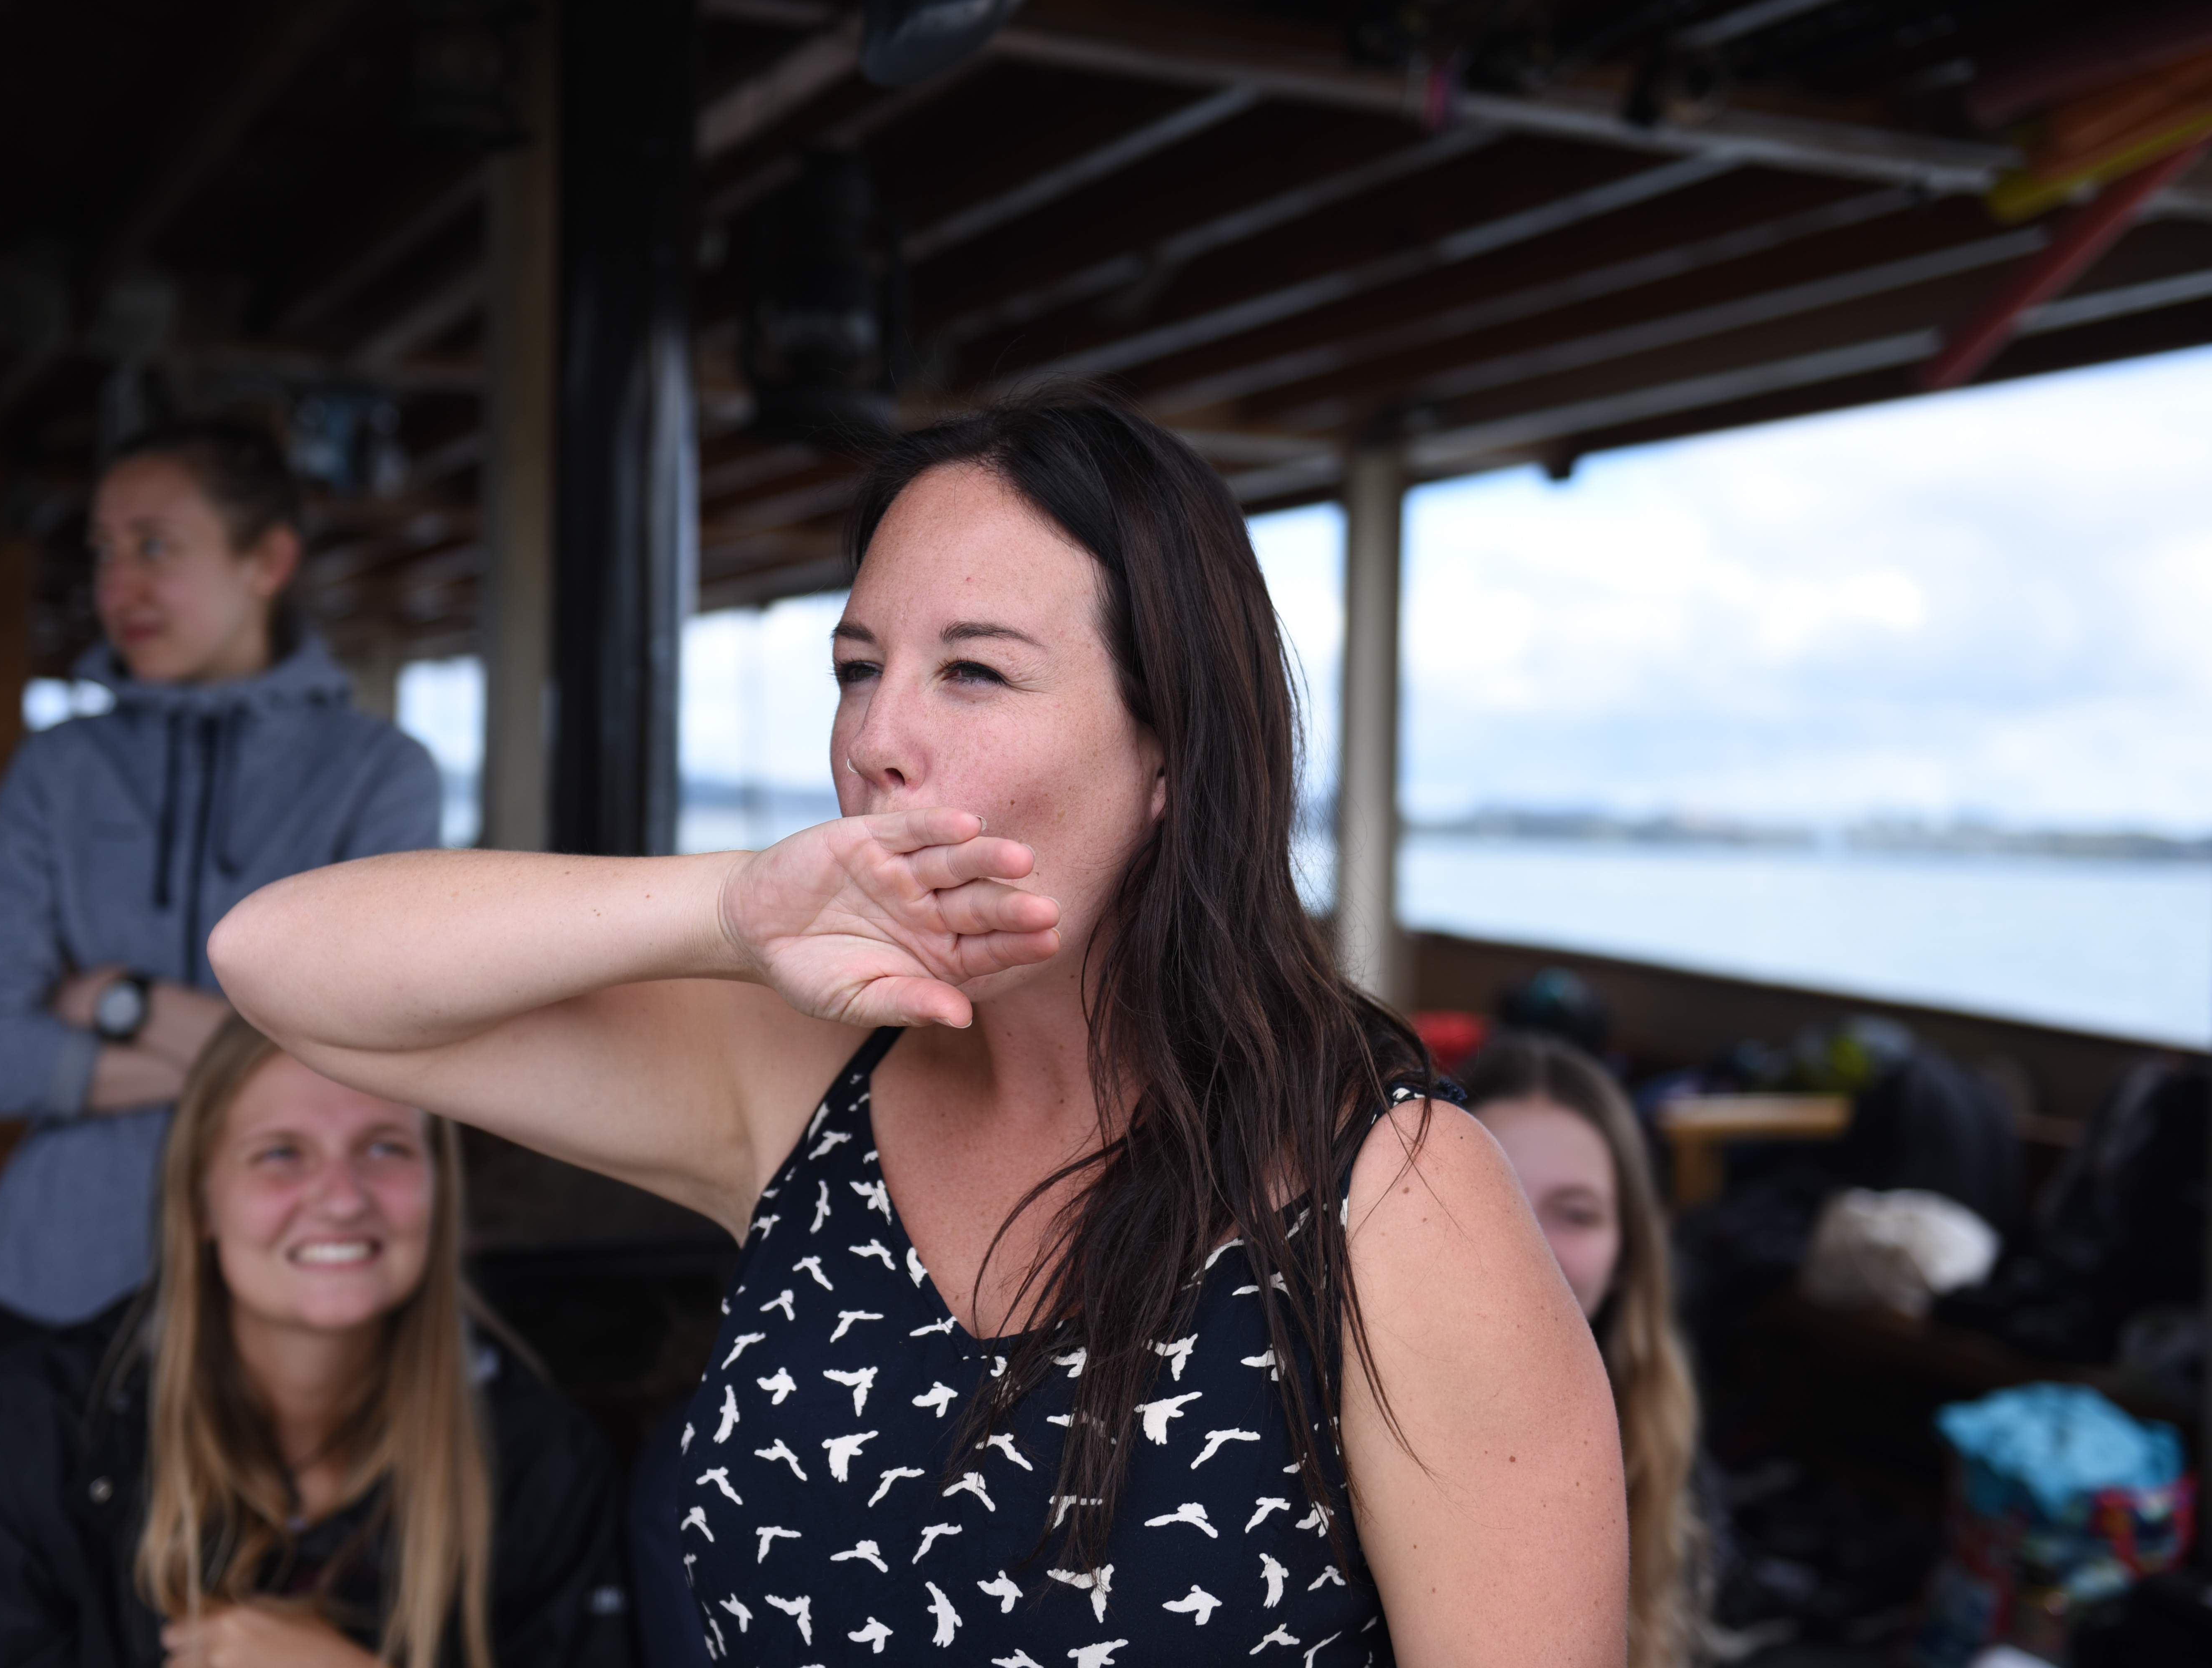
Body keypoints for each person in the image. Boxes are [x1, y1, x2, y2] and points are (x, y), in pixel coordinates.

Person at [214, 390, 1626, 1666]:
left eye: (972, 671)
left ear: (1168, 756)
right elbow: (275, 957)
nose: (873, 738)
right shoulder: (805, 1084)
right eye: (854, 665)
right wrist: (726, 907)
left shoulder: (1393, 1199)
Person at [0, 1016, 633, 1668]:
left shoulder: (542, 1461)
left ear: (442, 1192)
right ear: (200, 1201)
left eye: (385, 1148)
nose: (343, 1198)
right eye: (281, 1153)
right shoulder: (36, 1427)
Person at [0, 421, 441, 1338]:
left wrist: (119, 1001)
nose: (116, 587)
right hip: (59, 1277)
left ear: (266, 561)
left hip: (298, 1281)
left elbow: (372, 1064)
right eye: (103, 552)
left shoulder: (379, 772)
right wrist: (268, 1058)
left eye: (154, 546)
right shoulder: (56, 772)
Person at [1465, 1031, 1707, 1668]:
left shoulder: (1659, 1453)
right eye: (1494, 1200)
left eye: (1575, 1213)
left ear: (1627, 1254)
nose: (1532, 1246)